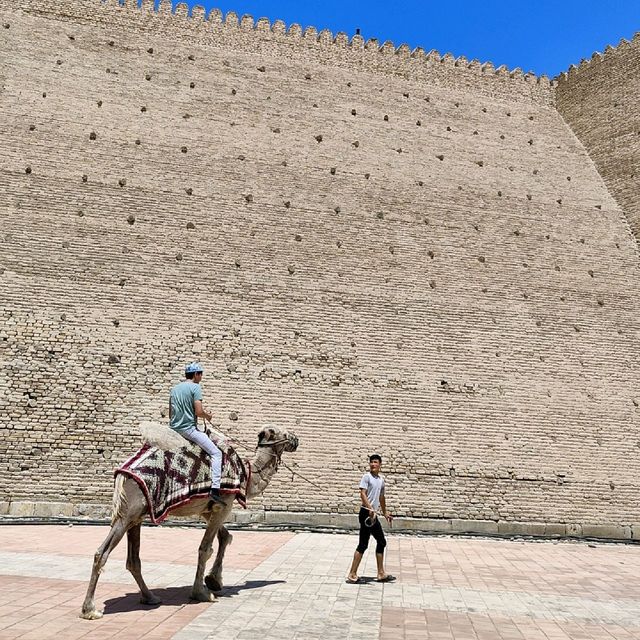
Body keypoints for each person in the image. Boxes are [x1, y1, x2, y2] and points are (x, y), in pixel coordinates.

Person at [169, 362, 224, 505]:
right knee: (216, 453)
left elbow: (171, 413)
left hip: (174, 428)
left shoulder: (174, 389)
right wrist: (208, 416)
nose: (201, 377)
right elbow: (199, 412)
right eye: (200, 374)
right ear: (195, 374)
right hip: (188, 429)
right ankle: (215, 490)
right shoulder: (195, 387)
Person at [346, 454, 395, 584]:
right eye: (371, 462)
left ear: (380, 464)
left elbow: (381, 498)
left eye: (375, 462)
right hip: (366, 514)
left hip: (373, 515)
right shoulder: (366, 477)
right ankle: (352, 574)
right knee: (364, 544)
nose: (373, 464)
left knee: (380, 541)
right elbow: (363, 494)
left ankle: (380, 573)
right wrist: (370, 509)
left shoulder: (381, 480)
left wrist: (385, 513)